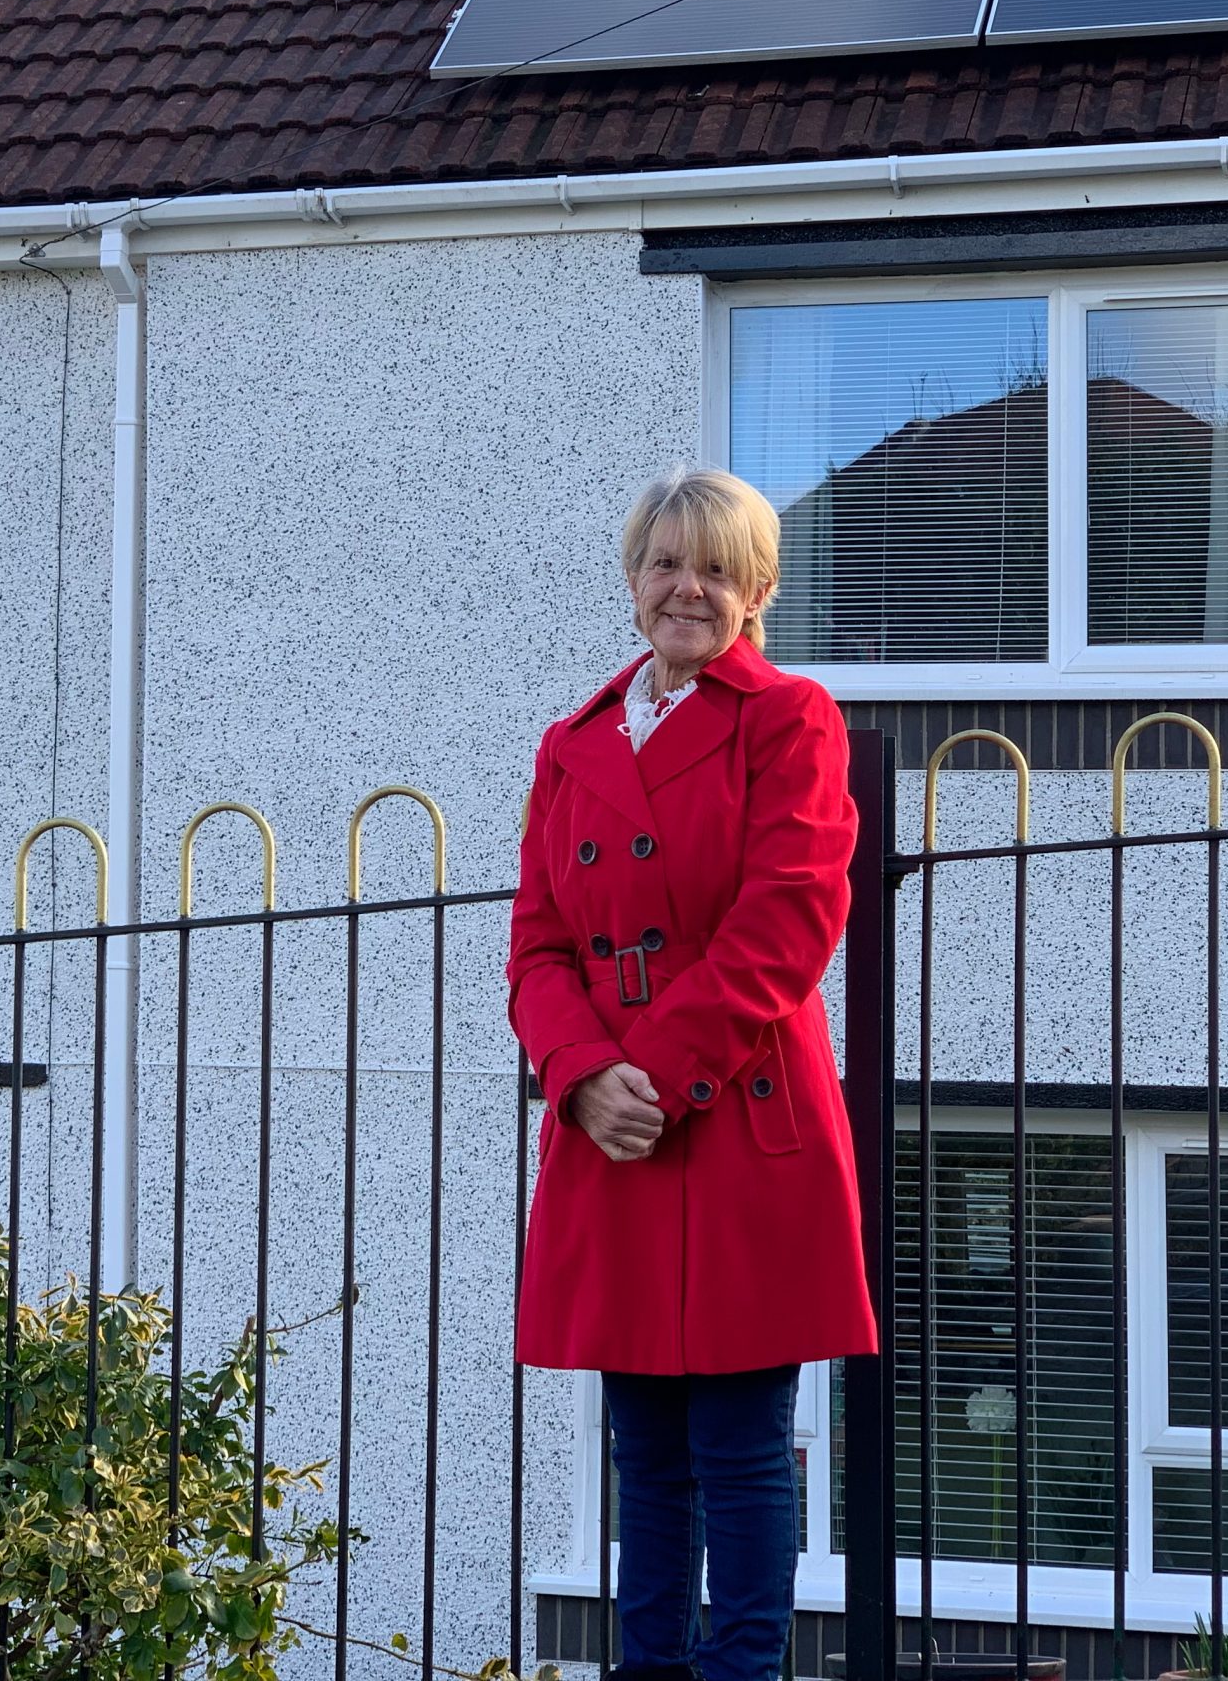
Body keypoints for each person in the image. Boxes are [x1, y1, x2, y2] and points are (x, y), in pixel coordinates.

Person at [509, 466, 876, 1681]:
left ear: (757, 590)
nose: (688, 589)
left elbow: (787, 921)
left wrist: (649, 1075)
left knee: (738, 1441)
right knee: (643, 1447)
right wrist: (577, 1073)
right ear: (631, 584)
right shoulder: (570, 748)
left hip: (729, 1111)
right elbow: (538, 947)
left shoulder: (789, 720)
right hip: (609, 1118)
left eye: (717, 570)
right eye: (667, 564)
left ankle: (741, 1670)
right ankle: (645, 1668)